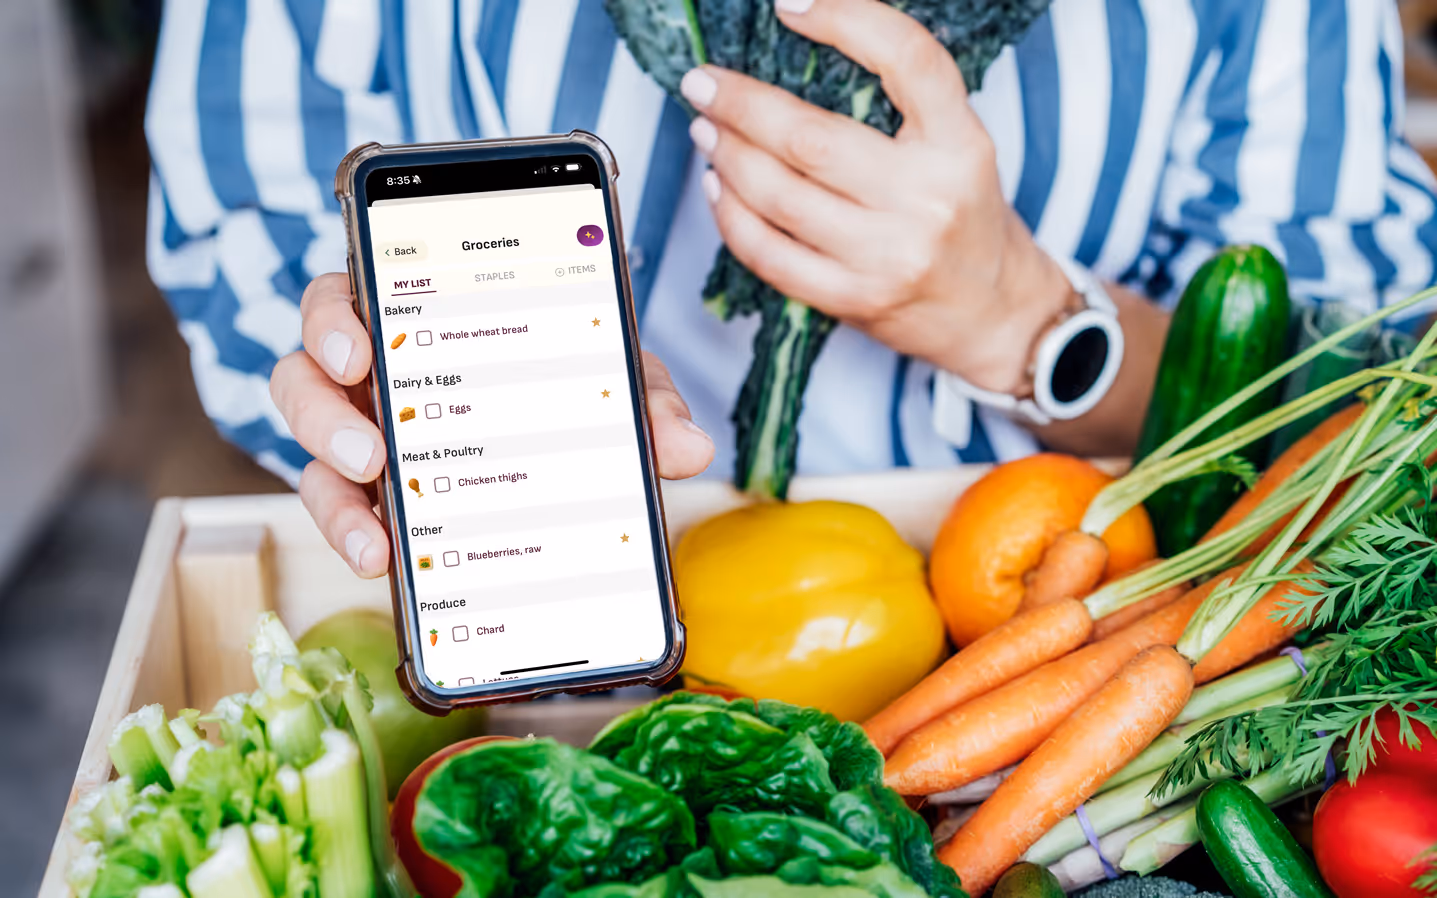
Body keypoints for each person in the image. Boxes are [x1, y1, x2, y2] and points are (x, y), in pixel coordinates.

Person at [147, 0, 1437, 577]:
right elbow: (242, 221)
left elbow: (1366, 368)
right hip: (540, 634)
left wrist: (1029, 322)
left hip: (1040, 605)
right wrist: (393, 406)